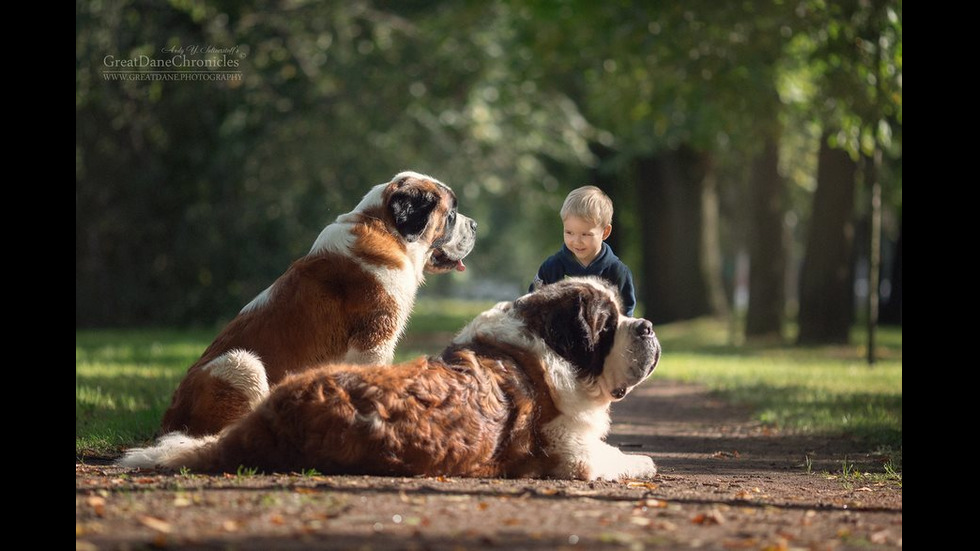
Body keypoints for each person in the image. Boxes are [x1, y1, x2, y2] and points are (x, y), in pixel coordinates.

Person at [529, 185, 637, 316]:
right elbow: (531, 304)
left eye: (585, 234)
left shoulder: (617, 272)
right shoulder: (551, 267)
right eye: (569, 232)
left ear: (605, 232)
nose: (576, 241)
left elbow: (625, 316)